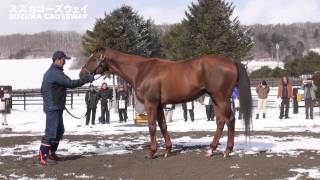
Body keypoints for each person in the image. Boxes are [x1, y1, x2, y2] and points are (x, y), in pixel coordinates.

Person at [39, 50, 94, 166]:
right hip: (53, 106)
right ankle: (43, 156)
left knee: (59, 131)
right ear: (57, 60)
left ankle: (51, 153)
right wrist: (86, 79)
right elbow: (70, 84)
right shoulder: (55, 73)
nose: (65, 62)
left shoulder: (55, 72)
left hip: (56, 106)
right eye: (64, 60)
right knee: (51, 132)